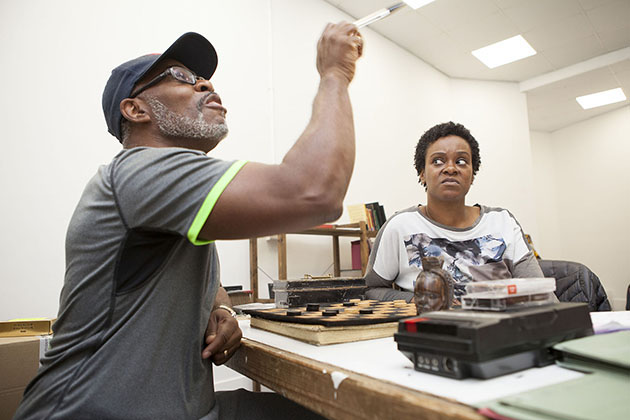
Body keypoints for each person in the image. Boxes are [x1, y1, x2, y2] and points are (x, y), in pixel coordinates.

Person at [14, 23, 363, 420]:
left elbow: (210, 284)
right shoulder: (137, 171)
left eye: (202, 77)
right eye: (181, 77)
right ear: (136, 109)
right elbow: (314, 192)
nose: (204, 85)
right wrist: (335, 74)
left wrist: (224, 312)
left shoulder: (171, 202)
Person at [365, 121, 544, 302]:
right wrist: (420, 301)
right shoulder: (400, 226)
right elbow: (371, 289)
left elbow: (540, 292)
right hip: (432, 327)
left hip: (500, 326)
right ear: (422, 173)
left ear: (472, 173)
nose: (450, 168)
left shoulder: (502, 221)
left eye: (461, 161)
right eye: (437, 161)